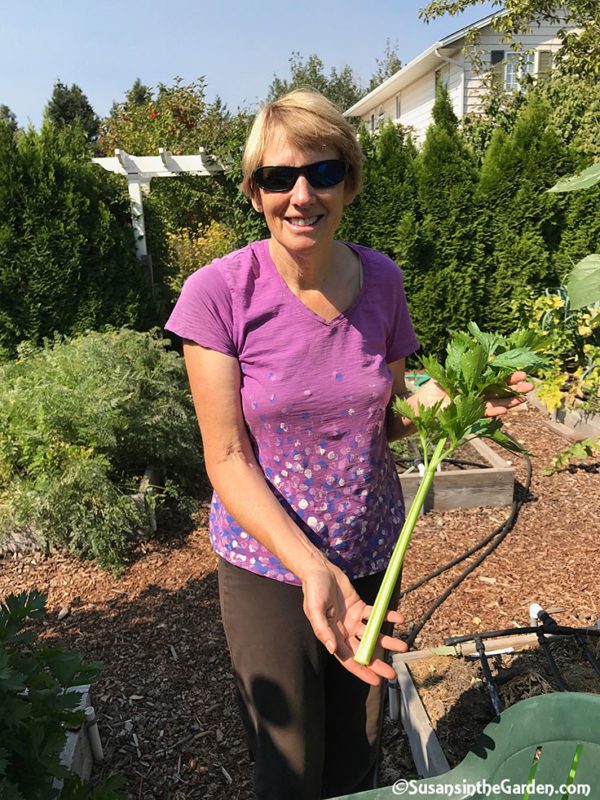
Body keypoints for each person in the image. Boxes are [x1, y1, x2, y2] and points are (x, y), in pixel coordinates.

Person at [165, 89, 531, 800]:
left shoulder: (381, 281)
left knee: (358, 750)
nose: (301, 195)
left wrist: (467, 400)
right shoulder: (218, 295)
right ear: (255, 192)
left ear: (350, 182)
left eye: (323, 173)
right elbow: (227, 458)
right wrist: (309, 569)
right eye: (278, 177)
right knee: (288, 762)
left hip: (370, 553)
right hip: (270, 565)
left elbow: (388, 415)